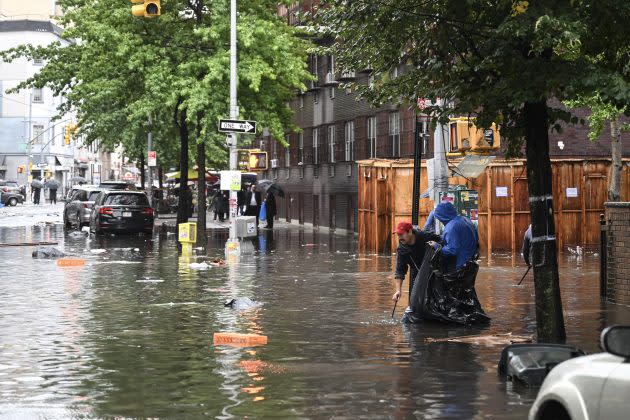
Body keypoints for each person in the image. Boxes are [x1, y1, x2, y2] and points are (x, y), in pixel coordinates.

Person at [392, 221, 441, 304]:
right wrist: (398, 291)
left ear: (410, 232)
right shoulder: (402, 249)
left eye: (401, 234)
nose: (399, 238)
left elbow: (443, 243)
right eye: (398, 235)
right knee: (416, 302)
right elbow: (400, 271)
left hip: (436, 273)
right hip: (418, 274)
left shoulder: (425, 236)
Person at [427, 202, 479, 273]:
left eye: (439, 218)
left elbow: (452, 250)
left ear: (442, 216)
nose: (440, 220)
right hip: (471, 263)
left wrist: (436, 246)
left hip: (460, 265)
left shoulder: (451, 227)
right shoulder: (465, 219)